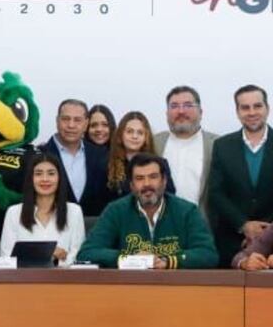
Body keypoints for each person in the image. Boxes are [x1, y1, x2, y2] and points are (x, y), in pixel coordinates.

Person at [77, 153, 218, 269]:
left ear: (164, 181)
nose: (147, 184)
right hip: (129, 289)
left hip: (175, 288)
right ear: (131, 185)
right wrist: (129, 259)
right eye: (139, 178)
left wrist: (169, 261)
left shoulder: (187, 211)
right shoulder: (116, 210)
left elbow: (208, 254)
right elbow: (87, 252)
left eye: (153, 177)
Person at [207, 85, 273, 267]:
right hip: (231, 242)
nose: (252, 112)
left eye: (257, 106)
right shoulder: (222, 145)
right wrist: (244, 225)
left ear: (267, 108)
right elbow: (216, 193)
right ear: (237, 112)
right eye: (245, 107)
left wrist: (265, 231)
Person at [0, 153, 85, 266]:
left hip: (63, 280)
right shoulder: (14, 212)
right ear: (31, 178)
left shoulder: (74, 212)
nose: (45, 179)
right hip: (23, 280)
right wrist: (46, 253)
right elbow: (6, 259)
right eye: (38, 174)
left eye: (51, 174)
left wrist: (52, 260)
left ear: (60, 177)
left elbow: (78, 257)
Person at [40, 99, 109, 217]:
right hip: (52, 230)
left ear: (86, 124)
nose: (71, 125)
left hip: (93, 230)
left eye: (77, 120)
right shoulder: (39, 155)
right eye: (66, 119)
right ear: (57, 121)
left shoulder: (101, 155)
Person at [155, 86, 218, 212]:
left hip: (202, 225)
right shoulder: (154, 143)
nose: (181, 111)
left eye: (188, 105)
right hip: (161, 225)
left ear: (201, 112)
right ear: (167, 113)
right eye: (174, 106)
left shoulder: (217, 145)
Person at [105, 111, 174, 203]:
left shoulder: (161, 164)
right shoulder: (107, 164)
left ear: (146, 137)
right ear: (121, 135)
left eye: (140, 133)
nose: (135, 136)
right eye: (129, 132)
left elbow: (169, 196)